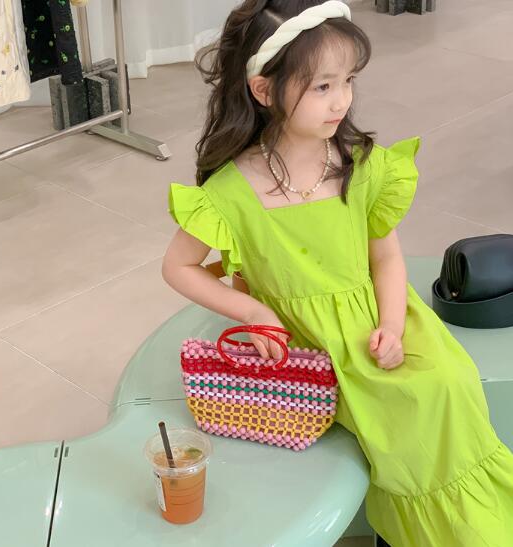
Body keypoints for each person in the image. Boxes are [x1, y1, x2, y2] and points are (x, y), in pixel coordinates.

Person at [161, 1, 513, 545]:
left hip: (377, 320)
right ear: (263, 90)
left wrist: (392, 326)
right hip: (308, 346)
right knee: (404, 412)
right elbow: (178, 267)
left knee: (448, 382)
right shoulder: (230, 192)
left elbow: (386, 259)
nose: (342, 99)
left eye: (348, 80)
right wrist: (253, 310)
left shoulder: (360, 165)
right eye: (322, 86)